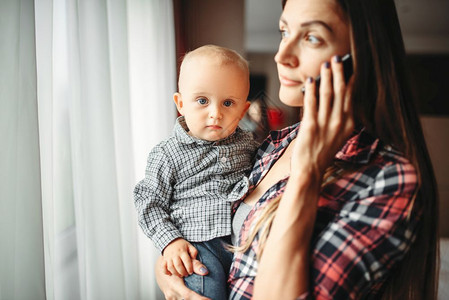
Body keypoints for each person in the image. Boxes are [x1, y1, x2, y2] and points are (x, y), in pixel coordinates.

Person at [155, 0, 439, 299]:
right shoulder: (274, 144)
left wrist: (307, 173)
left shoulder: (387, 179)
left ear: (361, 58)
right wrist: (170, 264)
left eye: (312, 37)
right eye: (284, 32)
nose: (282, 55)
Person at [134, 45, 259, 300]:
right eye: (202, 101)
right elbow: (148, 201)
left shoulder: (248, 144)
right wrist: (170, 242)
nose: (216, 113)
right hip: (197, 247)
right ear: (181, 104)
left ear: (243, 110)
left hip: (241, 245)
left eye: (228, 103)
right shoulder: (167, 153)